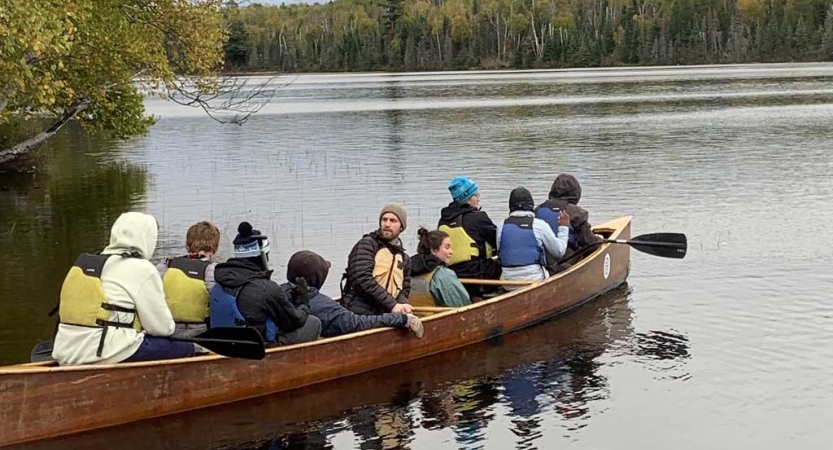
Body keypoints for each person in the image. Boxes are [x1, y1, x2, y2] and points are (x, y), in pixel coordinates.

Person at [52, 212, 195, 365]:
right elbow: (163, 329)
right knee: (185, 347)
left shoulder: (83, 263)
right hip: (104, 353)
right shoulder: (142, 269)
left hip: (64, 351)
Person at [214, 222, 321, 345]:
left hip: (227, 342)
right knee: (313, 322)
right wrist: (303, 302)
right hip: (258, 346)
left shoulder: (220, 280)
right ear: (262, 256)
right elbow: (294, 321)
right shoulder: (266, 288)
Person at [282, 250, 423, 338]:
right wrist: (400, 319)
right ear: (316, 278)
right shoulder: (323, 306)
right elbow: (356, 324)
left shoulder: (276, 292)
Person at [342, 203, 413, 316]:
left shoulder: (405, 259)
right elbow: (362, 279)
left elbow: (404, 289)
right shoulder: (367, 245)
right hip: (358, 312)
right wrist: (392, 305)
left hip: (386, 313)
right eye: (384, 220)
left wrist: (402, 305)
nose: (387, 224)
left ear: (401, 227)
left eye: (393, 221)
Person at [438, 176, 501, 298]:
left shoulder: (443, 220)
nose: (478, 199)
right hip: (478, 278)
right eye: (476, 195)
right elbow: (498, 241)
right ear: (467, 198)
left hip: (452, 277)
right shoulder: (478, 217)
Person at [157, 221, 220, 338]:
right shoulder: (213, 270)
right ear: (215, 247)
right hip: (201, 333)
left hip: (168, 331)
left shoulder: (165, 266)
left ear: (186, 245)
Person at [497, 187, 569, 289]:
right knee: (565, 267)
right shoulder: (539, 225)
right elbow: (559, 251)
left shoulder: (501, 226)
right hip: (535, 281)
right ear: (531, 205)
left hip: (508, 284)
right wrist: (563, 227)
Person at [535, 173, 603, 270]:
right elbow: (589, 243)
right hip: (567, 262)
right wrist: (599, 241)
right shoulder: (577, 213)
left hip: (543, 263)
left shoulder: (537, 210)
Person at [409, 227, 471, 307]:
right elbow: (462, 305)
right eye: (447, 247)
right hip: (437, 317)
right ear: (434, 250)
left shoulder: (405, 269)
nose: (451, 252)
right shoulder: (443, 275)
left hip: (411, 317)